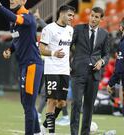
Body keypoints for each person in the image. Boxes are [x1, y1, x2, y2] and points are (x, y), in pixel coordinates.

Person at [0, 0, 43, 135]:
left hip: (32, 65)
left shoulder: (27, 17)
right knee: (26, 103)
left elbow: (15, 18)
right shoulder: (14, 22)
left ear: (24, 1)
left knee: (28, 105)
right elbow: (16, 40)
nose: (11, 0)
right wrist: (10, 50)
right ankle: (38, 132)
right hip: (24, 65)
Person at [70, 7, 110, 135]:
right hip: (78, 72)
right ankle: (74, 133)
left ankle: (85, 133)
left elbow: (107, 54)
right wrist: (68, 63)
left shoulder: (104, 34)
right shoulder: (78, 29)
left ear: (101, 19)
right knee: (76, 104)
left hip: (94, 75)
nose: (93, 18)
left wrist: (102, 62)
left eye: (96, 17)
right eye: (92, 15)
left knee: (89, 106)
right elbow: (68, 46)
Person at [38, 5, 75, 134]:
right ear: (62, 14)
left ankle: (43, 127)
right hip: (52, 69)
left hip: (64, 70)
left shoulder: (71, 30)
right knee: (51, 101)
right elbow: (41, 49)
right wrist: (54, 53)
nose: (72, 18)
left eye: (73, 16)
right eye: (69, 15)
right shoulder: (49, 29)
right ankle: (51, 132)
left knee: (62, 103)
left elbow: (71, 49)